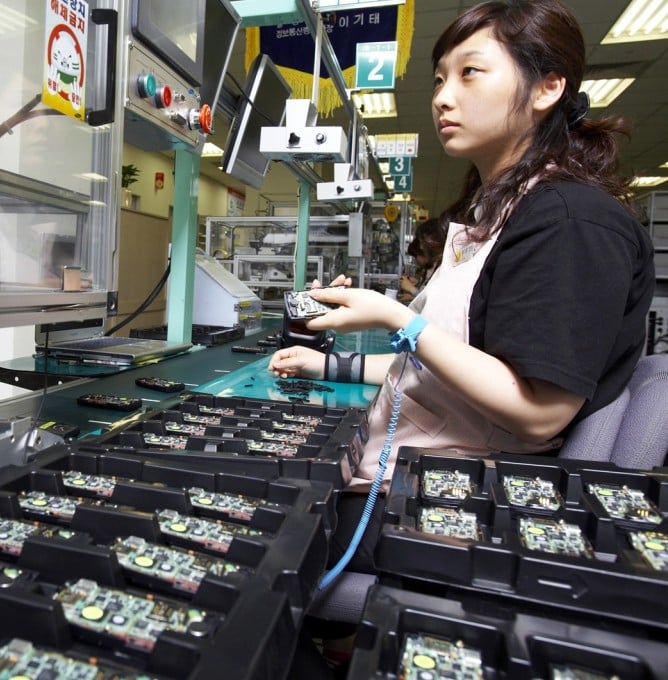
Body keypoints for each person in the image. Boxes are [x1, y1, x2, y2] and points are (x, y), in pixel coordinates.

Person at [269, 0, 654, 573]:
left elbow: (539, 411)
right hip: (411, 468)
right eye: (440, 79)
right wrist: (325, 365)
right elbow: (444, 372)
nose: (444, 97)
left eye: (470, 72)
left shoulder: (571, 220)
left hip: (452, 500)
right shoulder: (504, 212)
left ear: (547, 88)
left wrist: (395, 318)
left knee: (252, 537)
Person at [397, 217, 447, 303]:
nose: (421, 247)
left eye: (422, 243)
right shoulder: (437, 265)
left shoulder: (446, 267)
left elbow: (435, 302)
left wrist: (411, 289)